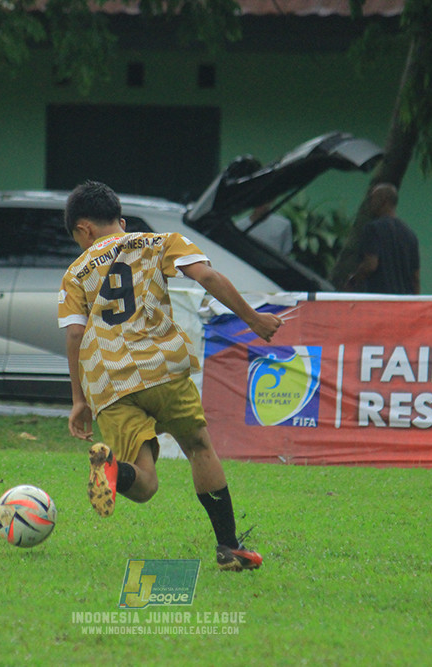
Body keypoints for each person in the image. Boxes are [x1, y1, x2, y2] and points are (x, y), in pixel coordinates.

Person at [58, 181, 283, 571]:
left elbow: (75, 334)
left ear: (83, 229)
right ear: (120, 221)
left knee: (144, 485)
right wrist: (254, 319)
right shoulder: (159, 242)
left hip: (108, 381)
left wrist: (79, 400)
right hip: (160, 366)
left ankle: (113, 469)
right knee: (198, 446)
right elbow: (208, 278)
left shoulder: (75, 273)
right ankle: (228, 547)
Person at [346, 183, 420, 294]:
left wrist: (353, 280)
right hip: (404, 304)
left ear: (383, 200)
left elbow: (370, 265)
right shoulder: (410, 234)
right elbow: (416, 278)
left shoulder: (373, 229)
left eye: (372, 199)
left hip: (381, 301)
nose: (370, 203)